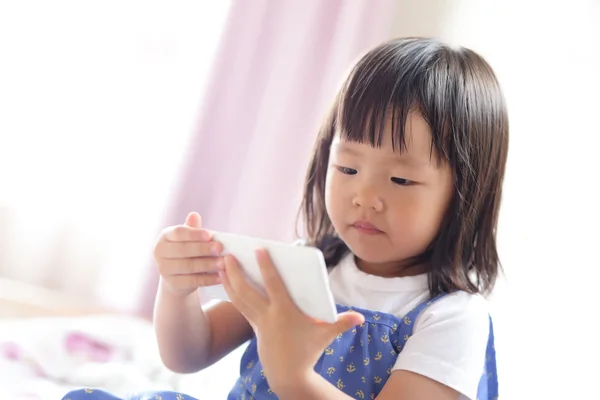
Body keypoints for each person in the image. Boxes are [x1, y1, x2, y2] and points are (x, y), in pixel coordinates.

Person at [63, 36, 508, 400]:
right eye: (348, 169)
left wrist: (294, 378)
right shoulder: (305, 268)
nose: (366, 197)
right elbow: (187, 353)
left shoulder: (450, 317)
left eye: (400, 179)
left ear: (465, 196)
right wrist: (178, 290)